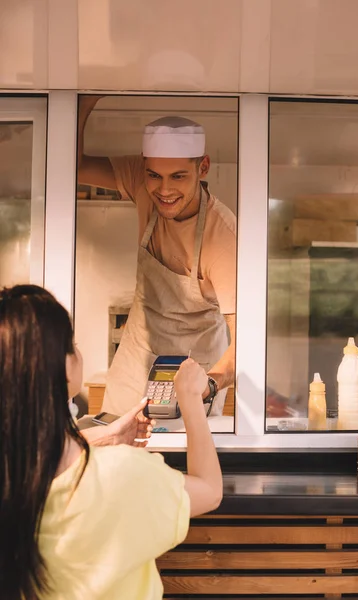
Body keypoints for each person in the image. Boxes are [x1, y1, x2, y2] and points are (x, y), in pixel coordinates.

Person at [0, 284, 223, 600]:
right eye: (72, 344)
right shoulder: (124, 476)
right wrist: (188, 399)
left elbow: (40, 450)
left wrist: (104, 436)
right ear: (63, 369)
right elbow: (210, 490)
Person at [78, 96, 236, 416]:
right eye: (155, 176)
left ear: (202, 166)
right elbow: (74, 166)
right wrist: (83, 100)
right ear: (144, 166)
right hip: (137, 355)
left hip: (194, 366)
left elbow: (248, 339)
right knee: (116, 443)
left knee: (179, 458)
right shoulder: (139, 177)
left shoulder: (222, 237)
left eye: (178, 176)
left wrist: (212, 383)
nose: (164, 190)